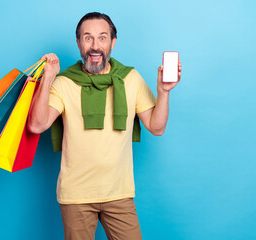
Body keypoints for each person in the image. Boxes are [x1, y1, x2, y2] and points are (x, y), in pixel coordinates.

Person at [27, 12, 181, 240]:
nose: (95, 46)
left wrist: (164, 91)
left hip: (119, 193)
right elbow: (37, 125)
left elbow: (156, 127)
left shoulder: (130, 78)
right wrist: (48, 77)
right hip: (76, 195)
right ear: (79, 43)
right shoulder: (65, 82)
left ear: (112, 42)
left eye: (102, 37)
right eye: (87, 38)